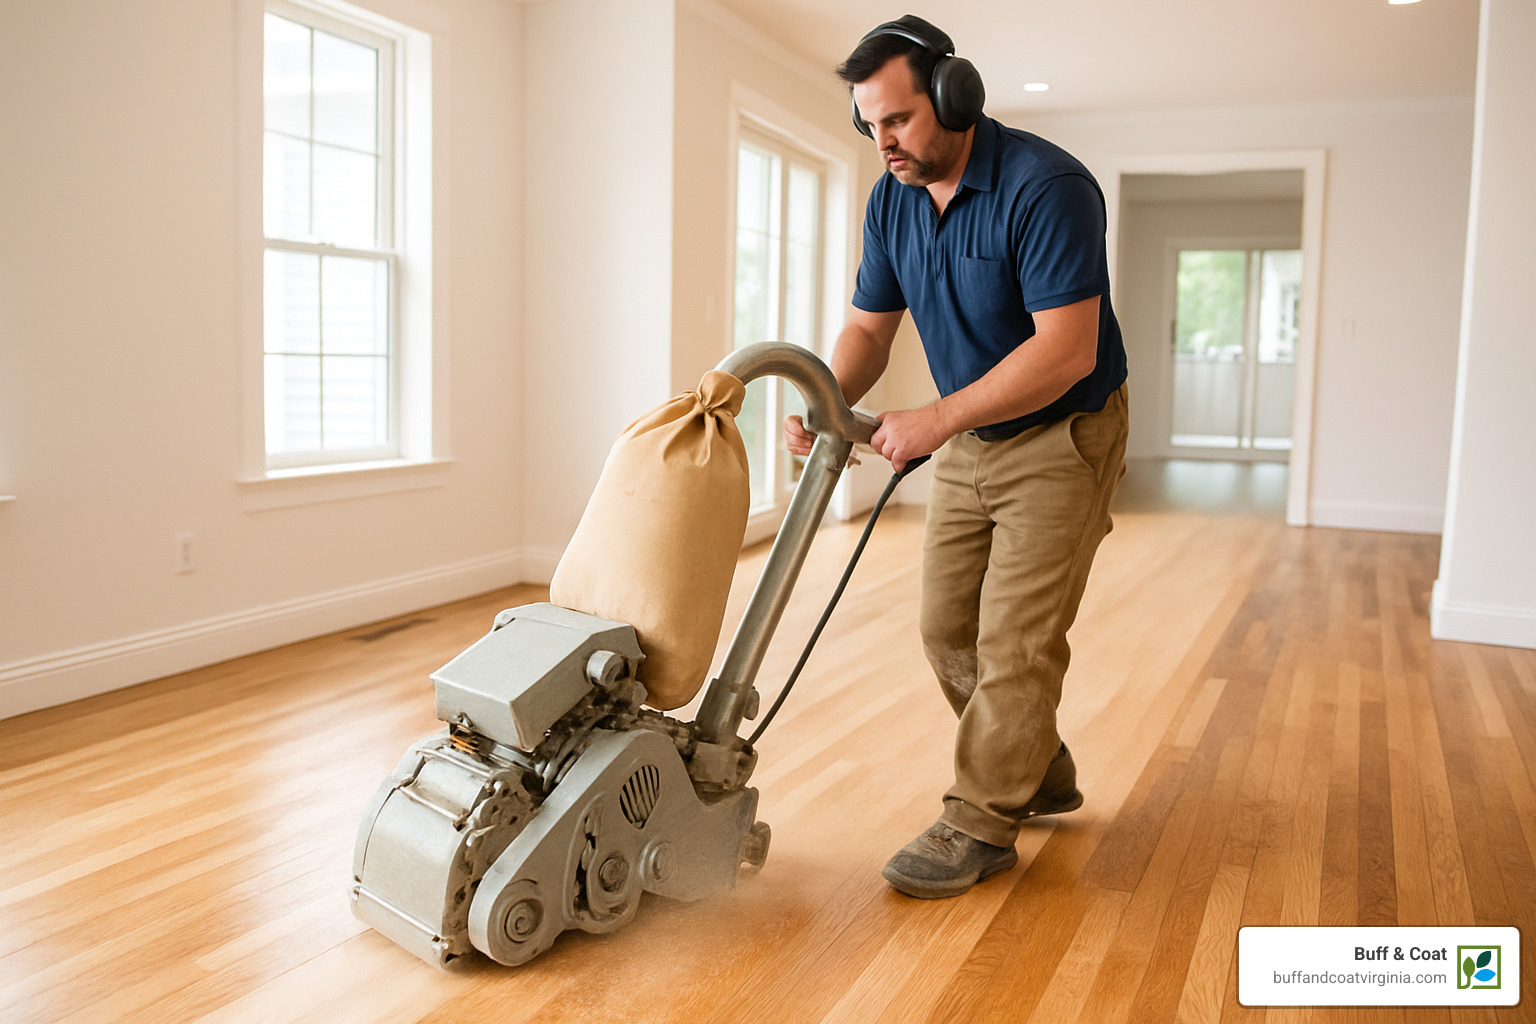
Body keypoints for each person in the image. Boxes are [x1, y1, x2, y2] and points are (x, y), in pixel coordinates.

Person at [785, 15, 1129, 899]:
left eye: (897, 119)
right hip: (975, 433)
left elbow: (1067, 351)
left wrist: (935, 419)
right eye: (869, 124)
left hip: (1065, 435)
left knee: (1015, 642)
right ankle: (1036, 769)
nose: (884, 143)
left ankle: (980, 822)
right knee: (947, 630)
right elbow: (869, 326)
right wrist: (829, 401)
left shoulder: (1046, 187)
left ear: (954, 95)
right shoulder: (891, 199)